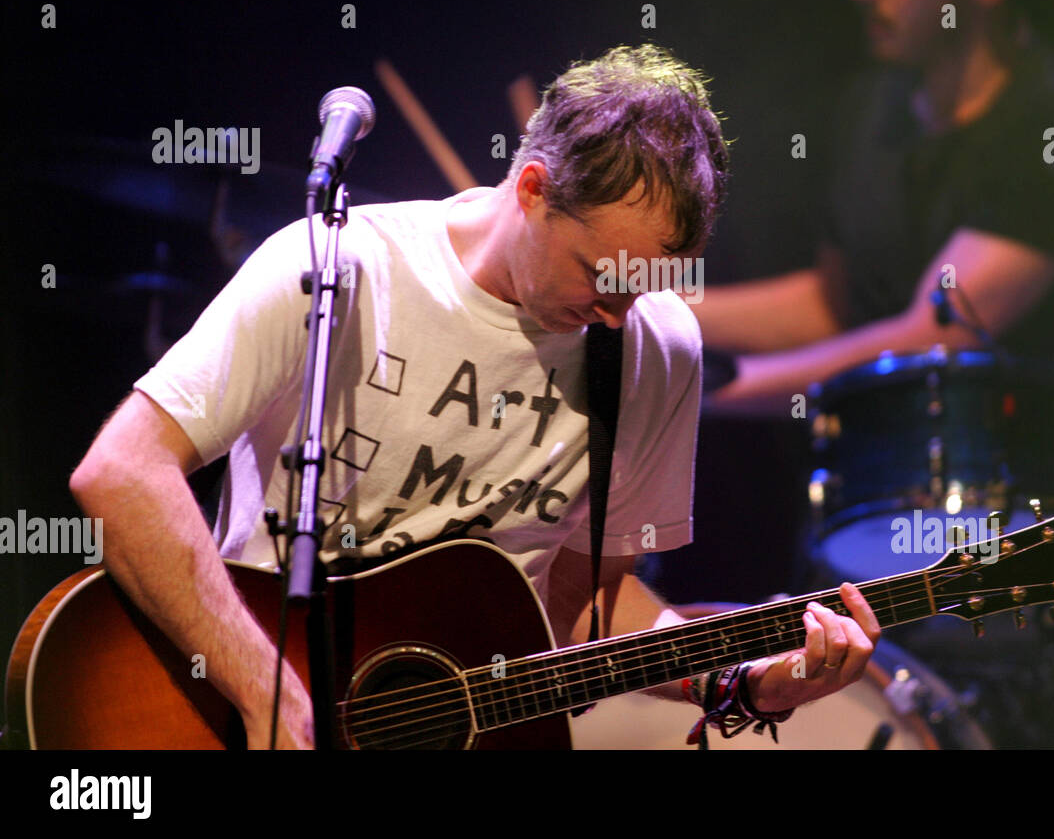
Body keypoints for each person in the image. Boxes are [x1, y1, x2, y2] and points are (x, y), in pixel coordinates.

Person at [68, 44, 881, 749]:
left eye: (649, 287)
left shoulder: (655, 347)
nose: (618, 312)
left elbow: (590, 608)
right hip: (247, 707)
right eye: (602, 277)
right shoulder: (339, 270)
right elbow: (122, 473)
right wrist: (262, 687)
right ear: (531, 189)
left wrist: (740, 678)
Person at [697, 0, 1054, 410]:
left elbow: (933, 336)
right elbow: (833, 306)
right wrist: (645, 307)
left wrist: (695, 394)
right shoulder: (872, 107)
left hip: (1025, 488)